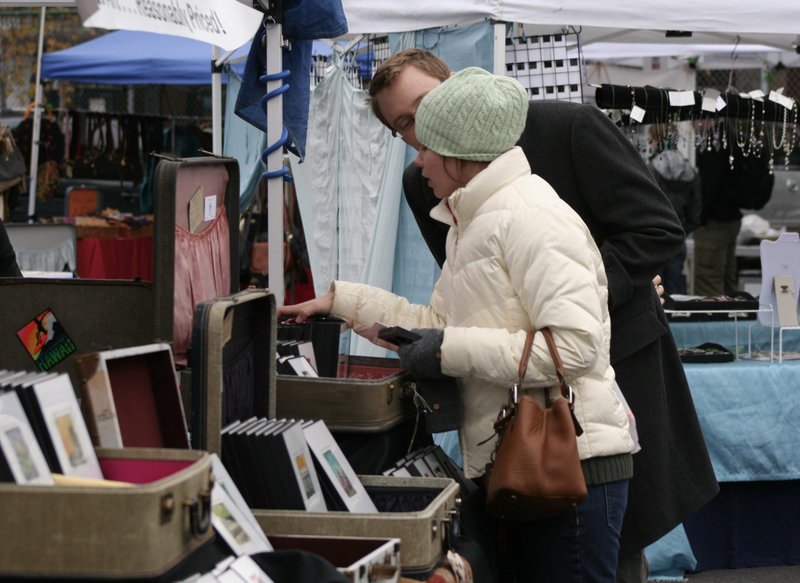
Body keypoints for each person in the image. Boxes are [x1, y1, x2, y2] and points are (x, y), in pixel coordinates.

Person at [368, 49, 719, 583]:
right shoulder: (425, 182)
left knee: (610, 543)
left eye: (424, 107)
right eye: (403, 126)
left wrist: (588, 287)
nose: (419, 134)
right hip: (514, 401)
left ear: (458, 86)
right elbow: (469, 287)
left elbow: (656, 229)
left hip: (608, 373)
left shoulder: (569, 127)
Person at [279, 67, 637, 582]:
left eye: (428, 145)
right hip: (529, 462)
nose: (417, 156)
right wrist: (342, 303)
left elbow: (577, 348)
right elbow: (439, 325)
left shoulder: (533, 217)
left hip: (570, 465)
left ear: (461, 153)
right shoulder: (474, 220)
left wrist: (445, 348)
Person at [694, 129, 774, 297]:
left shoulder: (714, 143)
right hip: (732, 218)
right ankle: (732, 315)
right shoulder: (734, 139)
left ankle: (712, 319)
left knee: (708, 280)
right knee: (728, 277)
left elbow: (710, 186)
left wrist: (701, 219)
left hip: (714, 221)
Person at [646, 124, 702, 295]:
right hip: (678, 235)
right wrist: (684, 229)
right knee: (676, 288)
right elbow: (696, 209)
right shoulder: (690, 171)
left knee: (654, 289)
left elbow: (646, 205)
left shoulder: (651, 169)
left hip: (654, 237)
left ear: (656, 139)